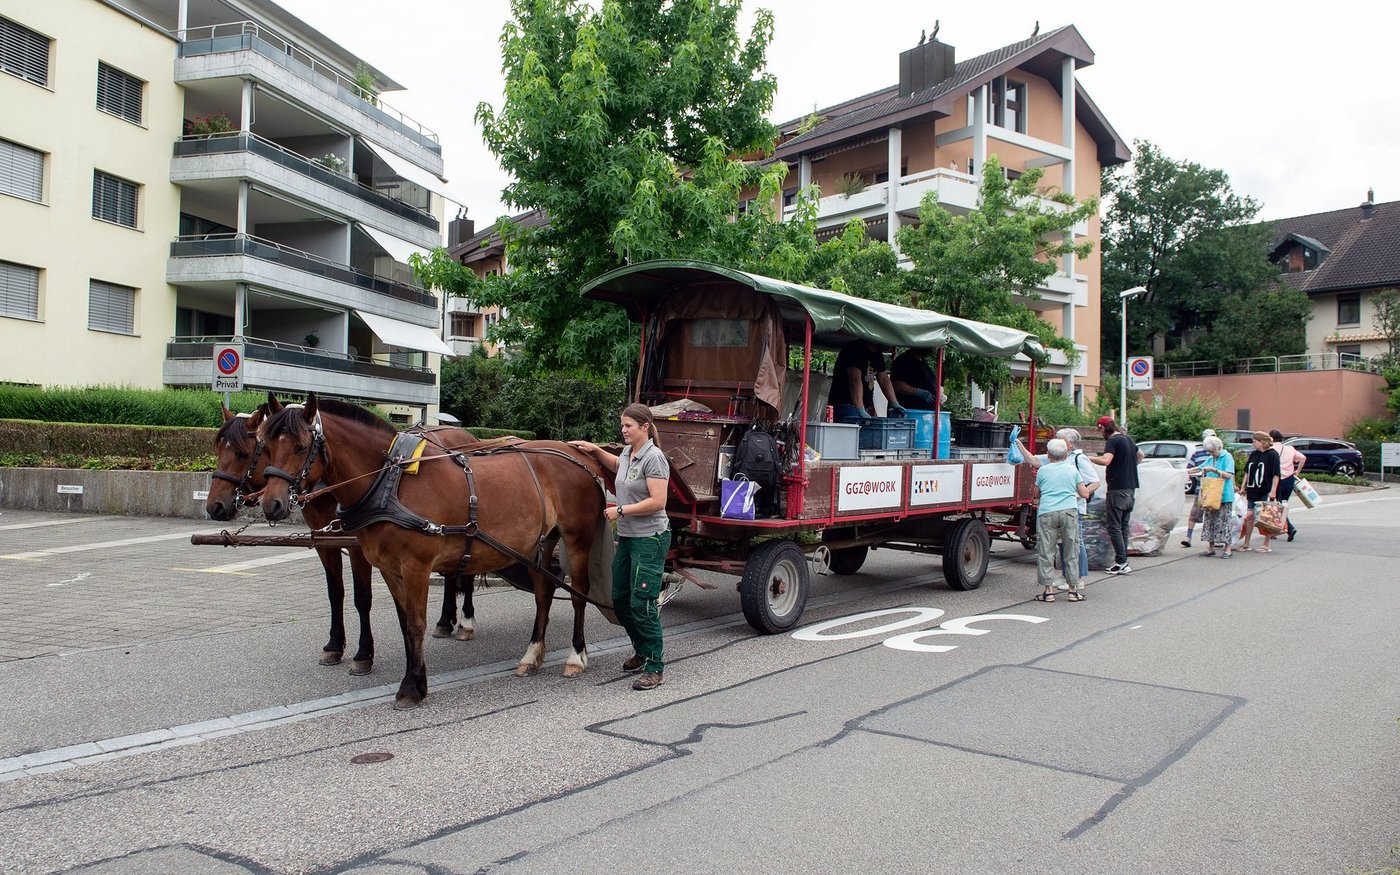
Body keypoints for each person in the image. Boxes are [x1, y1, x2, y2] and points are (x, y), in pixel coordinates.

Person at [569, 403, 671, 691]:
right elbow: (617, 465)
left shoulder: (654, 458)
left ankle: (654, 666)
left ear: (645, 427)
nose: (623, 429)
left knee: (642, 602)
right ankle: (642, 649)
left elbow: (658, 501)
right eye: (622, 425)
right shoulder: (628, 453)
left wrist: (621, 510)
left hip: (650, 538)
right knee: (620, 599)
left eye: (628, 425)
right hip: (628, 538)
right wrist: (594, 450)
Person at [1013, 427, 1099, 586]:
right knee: (1063, 544)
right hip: (1058, 509)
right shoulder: (1055, 455)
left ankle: (1077, 578)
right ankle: (1066, 576)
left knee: (1074, 544)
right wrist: (1019, 445)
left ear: (1071, 444)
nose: (1057, 442)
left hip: (1074, 508)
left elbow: (1095, 482)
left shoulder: (1079, 459)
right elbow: (1033, 460)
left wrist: (1078, 494)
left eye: (1061, 440)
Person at [1032, 438, 1095, 602]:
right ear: (1066, 454)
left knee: (1046, 551)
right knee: (1071, 550)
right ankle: (1073, 590)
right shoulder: (1072, 471)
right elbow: (1084, 493)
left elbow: (1036, 494)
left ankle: (1048, 591)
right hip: (1069, 512)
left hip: (1047, 512)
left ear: (1048, 454)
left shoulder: (1042, 471)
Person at [1086, 416, 1142, 575]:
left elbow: (1106, 460)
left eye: (1100, 430)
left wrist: (1088, 458)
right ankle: (1123, 561)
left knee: (1113, 526)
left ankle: (1121, 562)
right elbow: (1141, 455)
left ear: (1103, 428)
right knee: (1123, 526)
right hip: (1131, 489)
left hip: (1117, 489)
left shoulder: (1113, 441)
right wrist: (1128, 466)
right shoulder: (1128, 439)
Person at [1186, 434, 1236, 559]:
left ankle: (1228, 549)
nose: (1211, 454)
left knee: (1224, 522)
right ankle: (1210, 548)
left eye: (1212, 452)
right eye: (1209, 452)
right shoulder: (1211, 458)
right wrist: (1184, 472)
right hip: (1210, 495)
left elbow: (1229, 475)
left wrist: (1214, 470)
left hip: (1224, 495)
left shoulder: (1227, 457)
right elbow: (1199, 468)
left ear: (1219, 447)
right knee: (1210, 521)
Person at [829, 338, 904, 420]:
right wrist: (860, 409)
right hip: (847, 405)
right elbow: (855, 380)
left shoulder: (877, 353)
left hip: (863, 406)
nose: (891, 347)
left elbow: (883, 379)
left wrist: (894, 402)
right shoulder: (855, 348)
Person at [1239, 430, 1281, 553]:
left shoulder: (1272, 454)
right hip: (1252, 489)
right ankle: (1246, 543)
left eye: (1255, 441)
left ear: (1262, 442)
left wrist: (1273, 490)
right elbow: (1247, 471)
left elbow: (1276, 474)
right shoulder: (1254, 454)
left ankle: (1266, 543)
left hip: (1265, 489)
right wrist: (1243, 486)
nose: (1253, 444)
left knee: (1266, 517)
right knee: (1249, 516)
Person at [1182, 428, 1217, 547]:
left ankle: (1214, 539)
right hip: (1200, 488)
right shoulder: (1197, 453)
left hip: (1214, 489)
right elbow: (1190, 469)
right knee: (1195, 513)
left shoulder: (1219, 453)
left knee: (1213, 515)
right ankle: (1188, 537)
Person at [1269, 428, 1306, 542]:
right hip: (1289, 479)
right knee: (1283, 503)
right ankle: (1274, 530)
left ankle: (1289, 528)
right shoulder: (1290, 448)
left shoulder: (1270, 449)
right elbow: (1303, 458)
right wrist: (1297, 471)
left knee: (1276, 505)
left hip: (1277, 479)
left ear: (1271, 438)